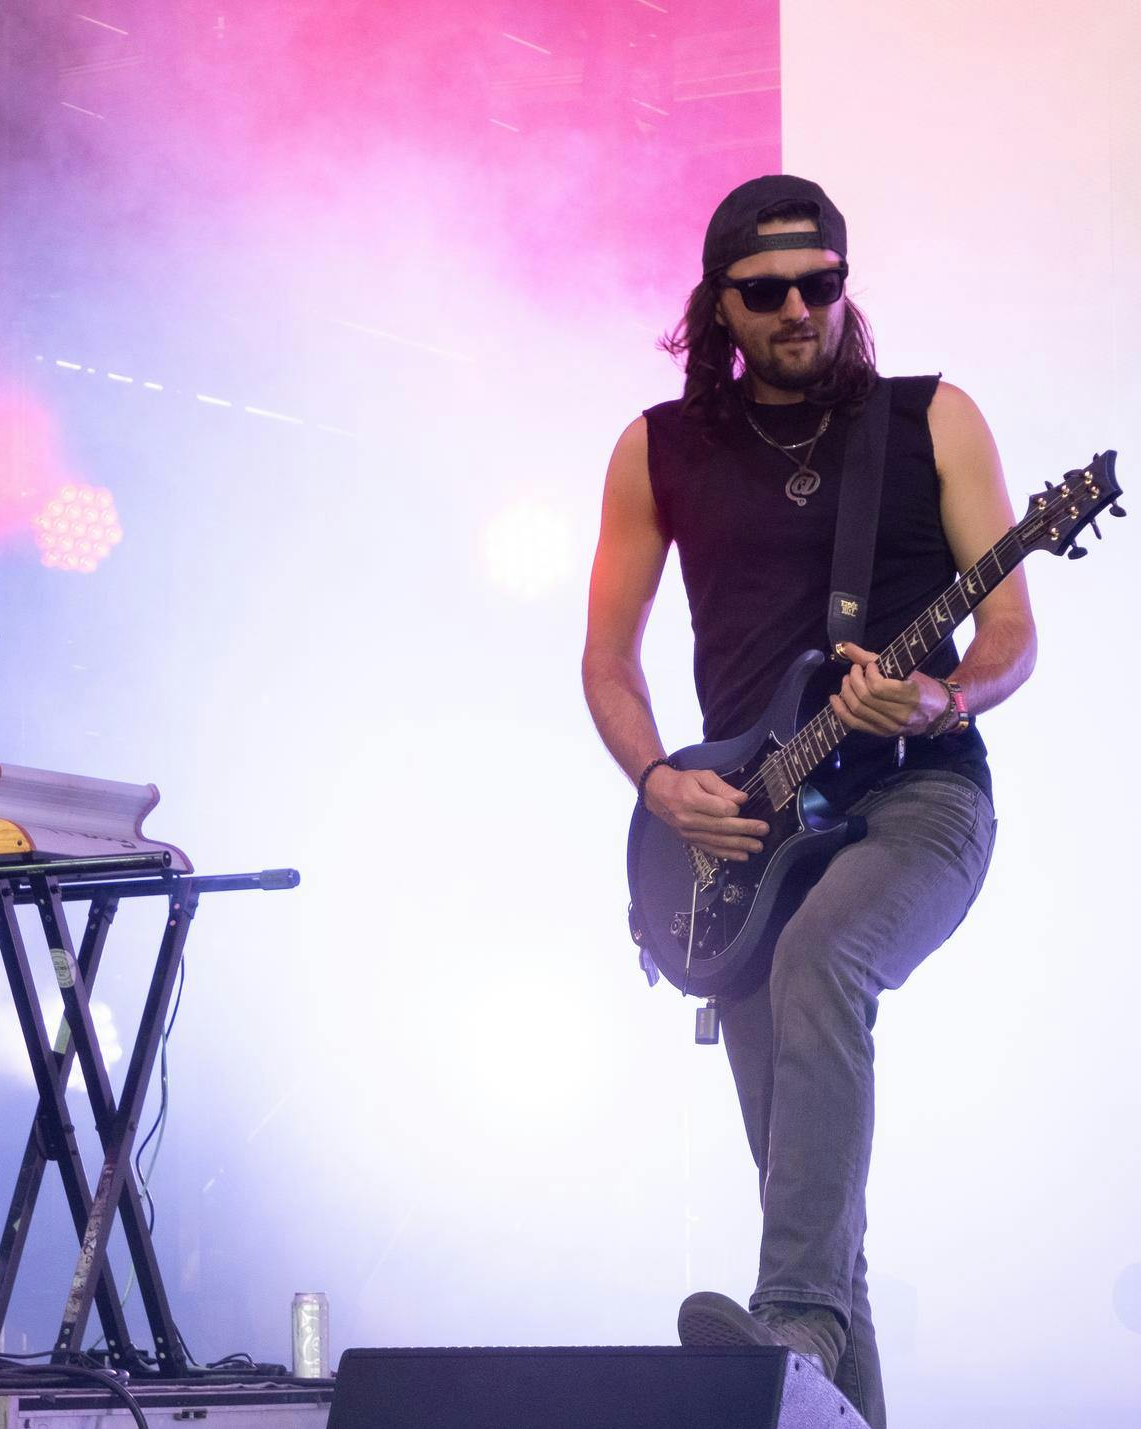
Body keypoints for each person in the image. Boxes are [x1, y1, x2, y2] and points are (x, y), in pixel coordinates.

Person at [581, 175, 1036, 1425]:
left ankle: (785, 1324)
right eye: (768, 291)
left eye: (821, 284)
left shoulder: (929, 418)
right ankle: (812, 1339)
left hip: (916, 802)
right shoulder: (657, 449)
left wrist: (943, 702)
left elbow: (1007, 633)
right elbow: (605, 661)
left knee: (822, 966)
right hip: (744, 844)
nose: (799, 309)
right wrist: (661, 784)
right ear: (716, 306)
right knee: (816, 1221)